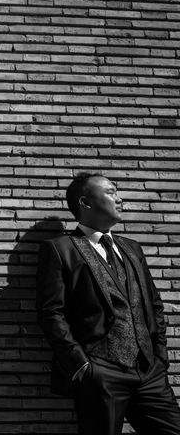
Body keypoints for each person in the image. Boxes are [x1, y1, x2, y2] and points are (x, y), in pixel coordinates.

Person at [36, 172, 180, 435]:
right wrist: (82, 366)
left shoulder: (132, 248)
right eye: (112, 192)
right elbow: (51, 312)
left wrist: (159, 357)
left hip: (149, 373)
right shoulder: (61, 248)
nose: (120, 198)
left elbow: (154, 305)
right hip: (100, 373)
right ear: (86, 203)